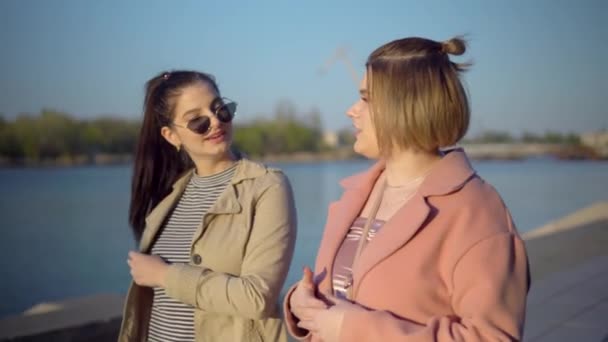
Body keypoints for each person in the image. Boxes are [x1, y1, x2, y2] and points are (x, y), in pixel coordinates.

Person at [284, 37, 530, 341]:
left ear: (405, 106)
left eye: (366, 99)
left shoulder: (476, 211)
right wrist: (300, 302)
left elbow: (491, 336)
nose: (352, 110)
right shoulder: (357, 194)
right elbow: (343, 292)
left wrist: (355, 330)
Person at [118, 70, 297, 342]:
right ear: (171, 136)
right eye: (197, 121)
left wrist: (165, 275)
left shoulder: (267, 187)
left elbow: (256, 297)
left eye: (220, 110)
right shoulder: (171, 197)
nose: (215, 122)